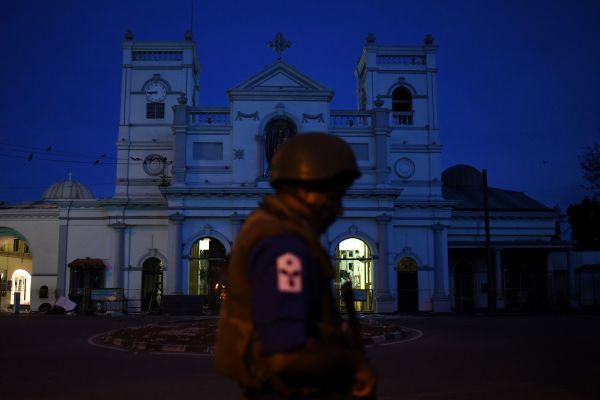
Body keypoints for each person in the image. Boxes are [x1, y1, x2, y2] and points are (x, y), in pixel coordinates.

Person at [214, 132, 376, 399]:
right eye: (333, 196)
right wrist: (352, 364)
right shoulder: (283, 247)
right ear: (305, 189)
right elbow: (284, 355)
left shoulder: (270, 228)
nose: (338, 209)